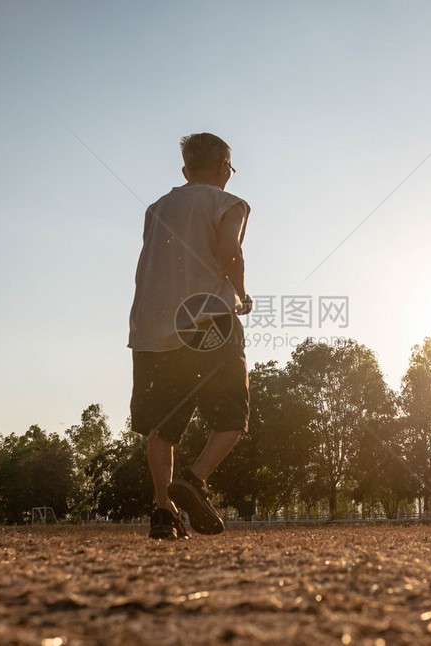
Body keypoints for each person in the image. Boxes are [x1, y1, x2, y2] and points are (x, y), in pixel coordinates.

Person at [128, 133, 252, 540]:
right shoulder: (226, 202)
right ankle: (194, 478)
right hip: (208, 318)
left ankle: (163, 514)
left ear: (185, 170)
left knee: (162, 427)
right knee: (234, 415)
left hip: (152, 327)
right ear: (223, 167)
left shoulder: (157, 208)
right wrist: (242, 291)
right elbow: (228, 249)